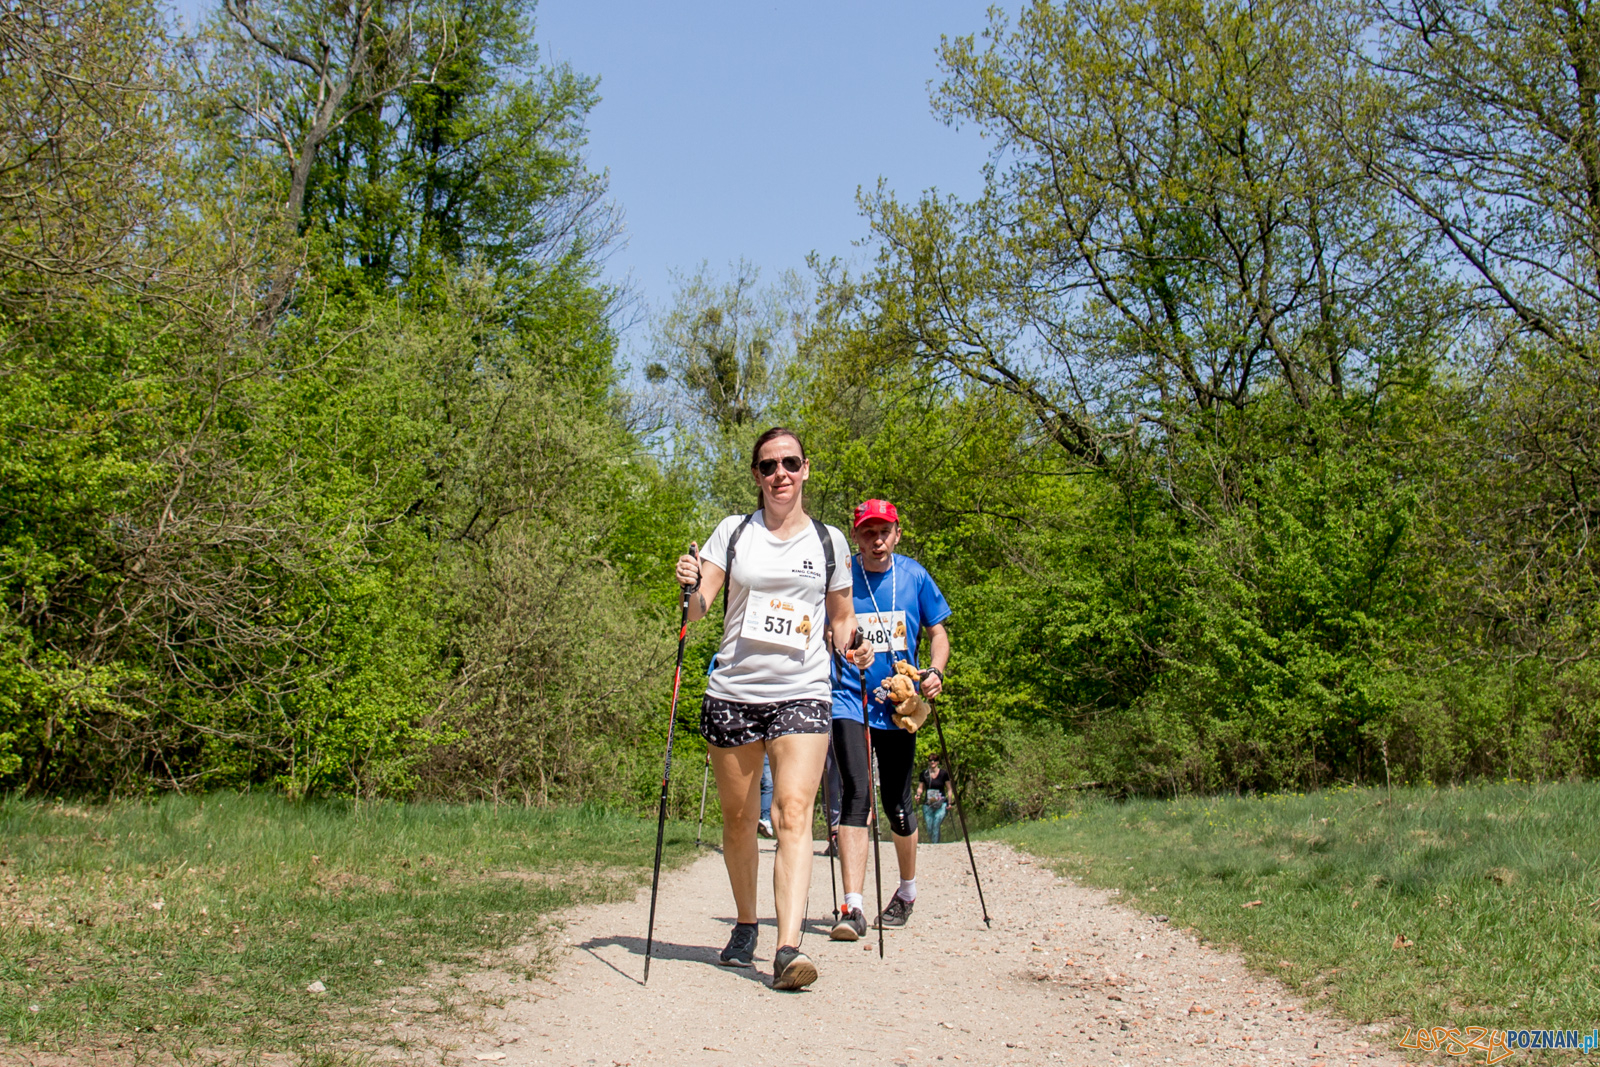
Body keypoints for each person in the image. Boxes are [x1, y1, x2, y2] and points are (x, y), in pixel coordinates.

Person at [675, 427, 871, 991]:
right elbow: (700, 608)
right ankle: (745, 924)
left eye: (789, 462)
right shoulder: (733, 533)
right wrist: (689, 586)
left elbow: (840, 620)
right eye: (768, 466)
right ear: (757, 476)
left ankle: (788, 947)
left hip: (803, 690)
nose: (779, 473)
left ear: (805, 468)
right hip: (734, 692)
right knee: (739, 820)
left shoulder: (830, 542)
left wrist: (855, 645)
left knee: (792, 811)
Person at [828, 499, 951, 940]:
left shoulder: (914, 575)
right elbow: (827, 627)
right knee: (856, 793)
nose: (877, 540)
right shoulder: (842, 577)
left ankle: (906, 892)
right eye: (868, 532)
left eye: (884, 532)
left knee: (897, 803)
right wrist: (842, 646)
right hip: (850, 698)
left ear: (897, 534)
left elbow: (938, 632)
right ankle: (853, 907)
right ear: (856, 536)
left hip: (899, 705)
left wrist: (935, 672)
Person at [917, 755, 952, 844]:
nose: (932, 762)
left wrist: (949, 803)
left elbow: (949, 789)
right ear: (928, 762)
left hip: (941, 803)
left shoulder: (943, 774)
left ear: (938, 762)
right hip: (928, 804)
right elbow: (920, 788)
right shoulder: (924, 774)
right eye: (930, 760)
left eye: (935, 760)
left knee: (936, 822)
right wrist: (918, 795)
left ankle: (935, 844)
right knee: (929, 826)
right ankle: (933, 841)